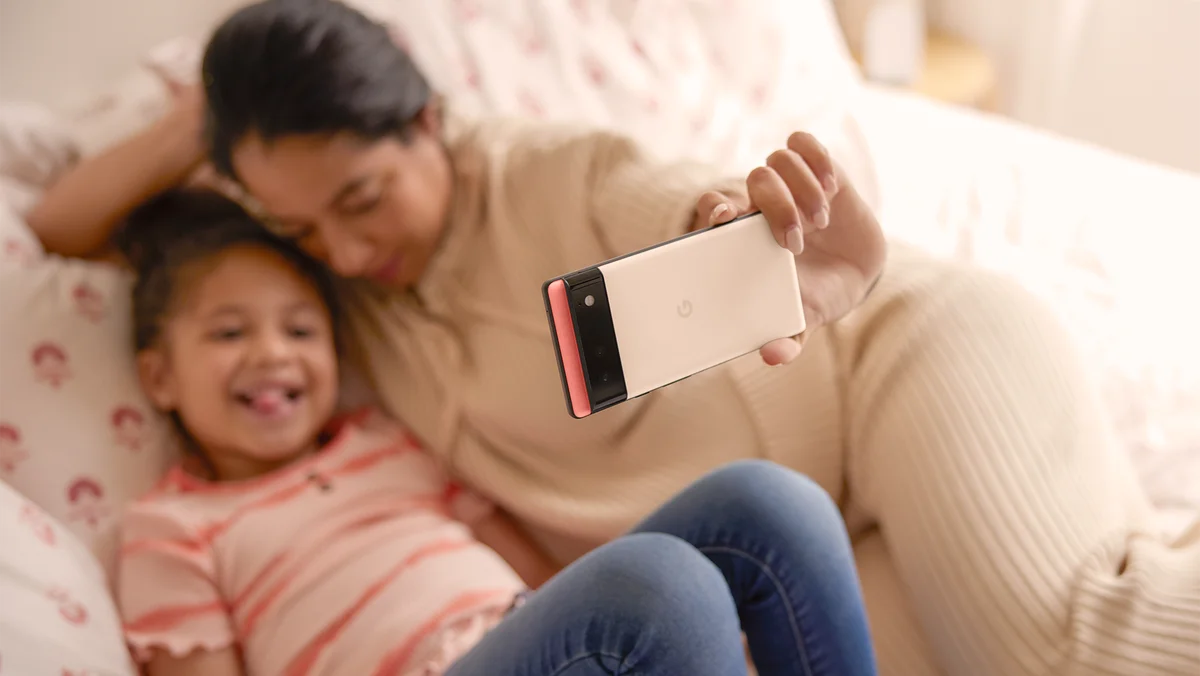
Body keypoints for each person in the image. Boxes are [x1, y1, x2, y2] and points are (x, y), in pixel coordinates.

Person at [27, 1, 1199, 673]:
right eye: (296, 223)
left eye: (361, 201)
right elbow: (59, 222)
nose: (335, 251)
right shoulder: (318, 295)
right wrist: (215, 117)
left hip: (897, 369)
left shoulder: (548, 173)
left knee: (1081, 649)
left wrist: (750, 236)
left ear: (428, 123)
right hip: (813, 524)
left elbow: (681, 202)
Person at [108, 188, 877, 676]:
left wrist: (600, 622)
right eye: (229, 333)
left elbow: (532, 580)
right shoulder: (172, 528)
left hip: (532, 644)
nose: (273, 353)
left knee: (767, 503)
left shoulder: (384, 439)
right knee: (661, 586)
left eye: (301, 330)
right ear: (159, 377)